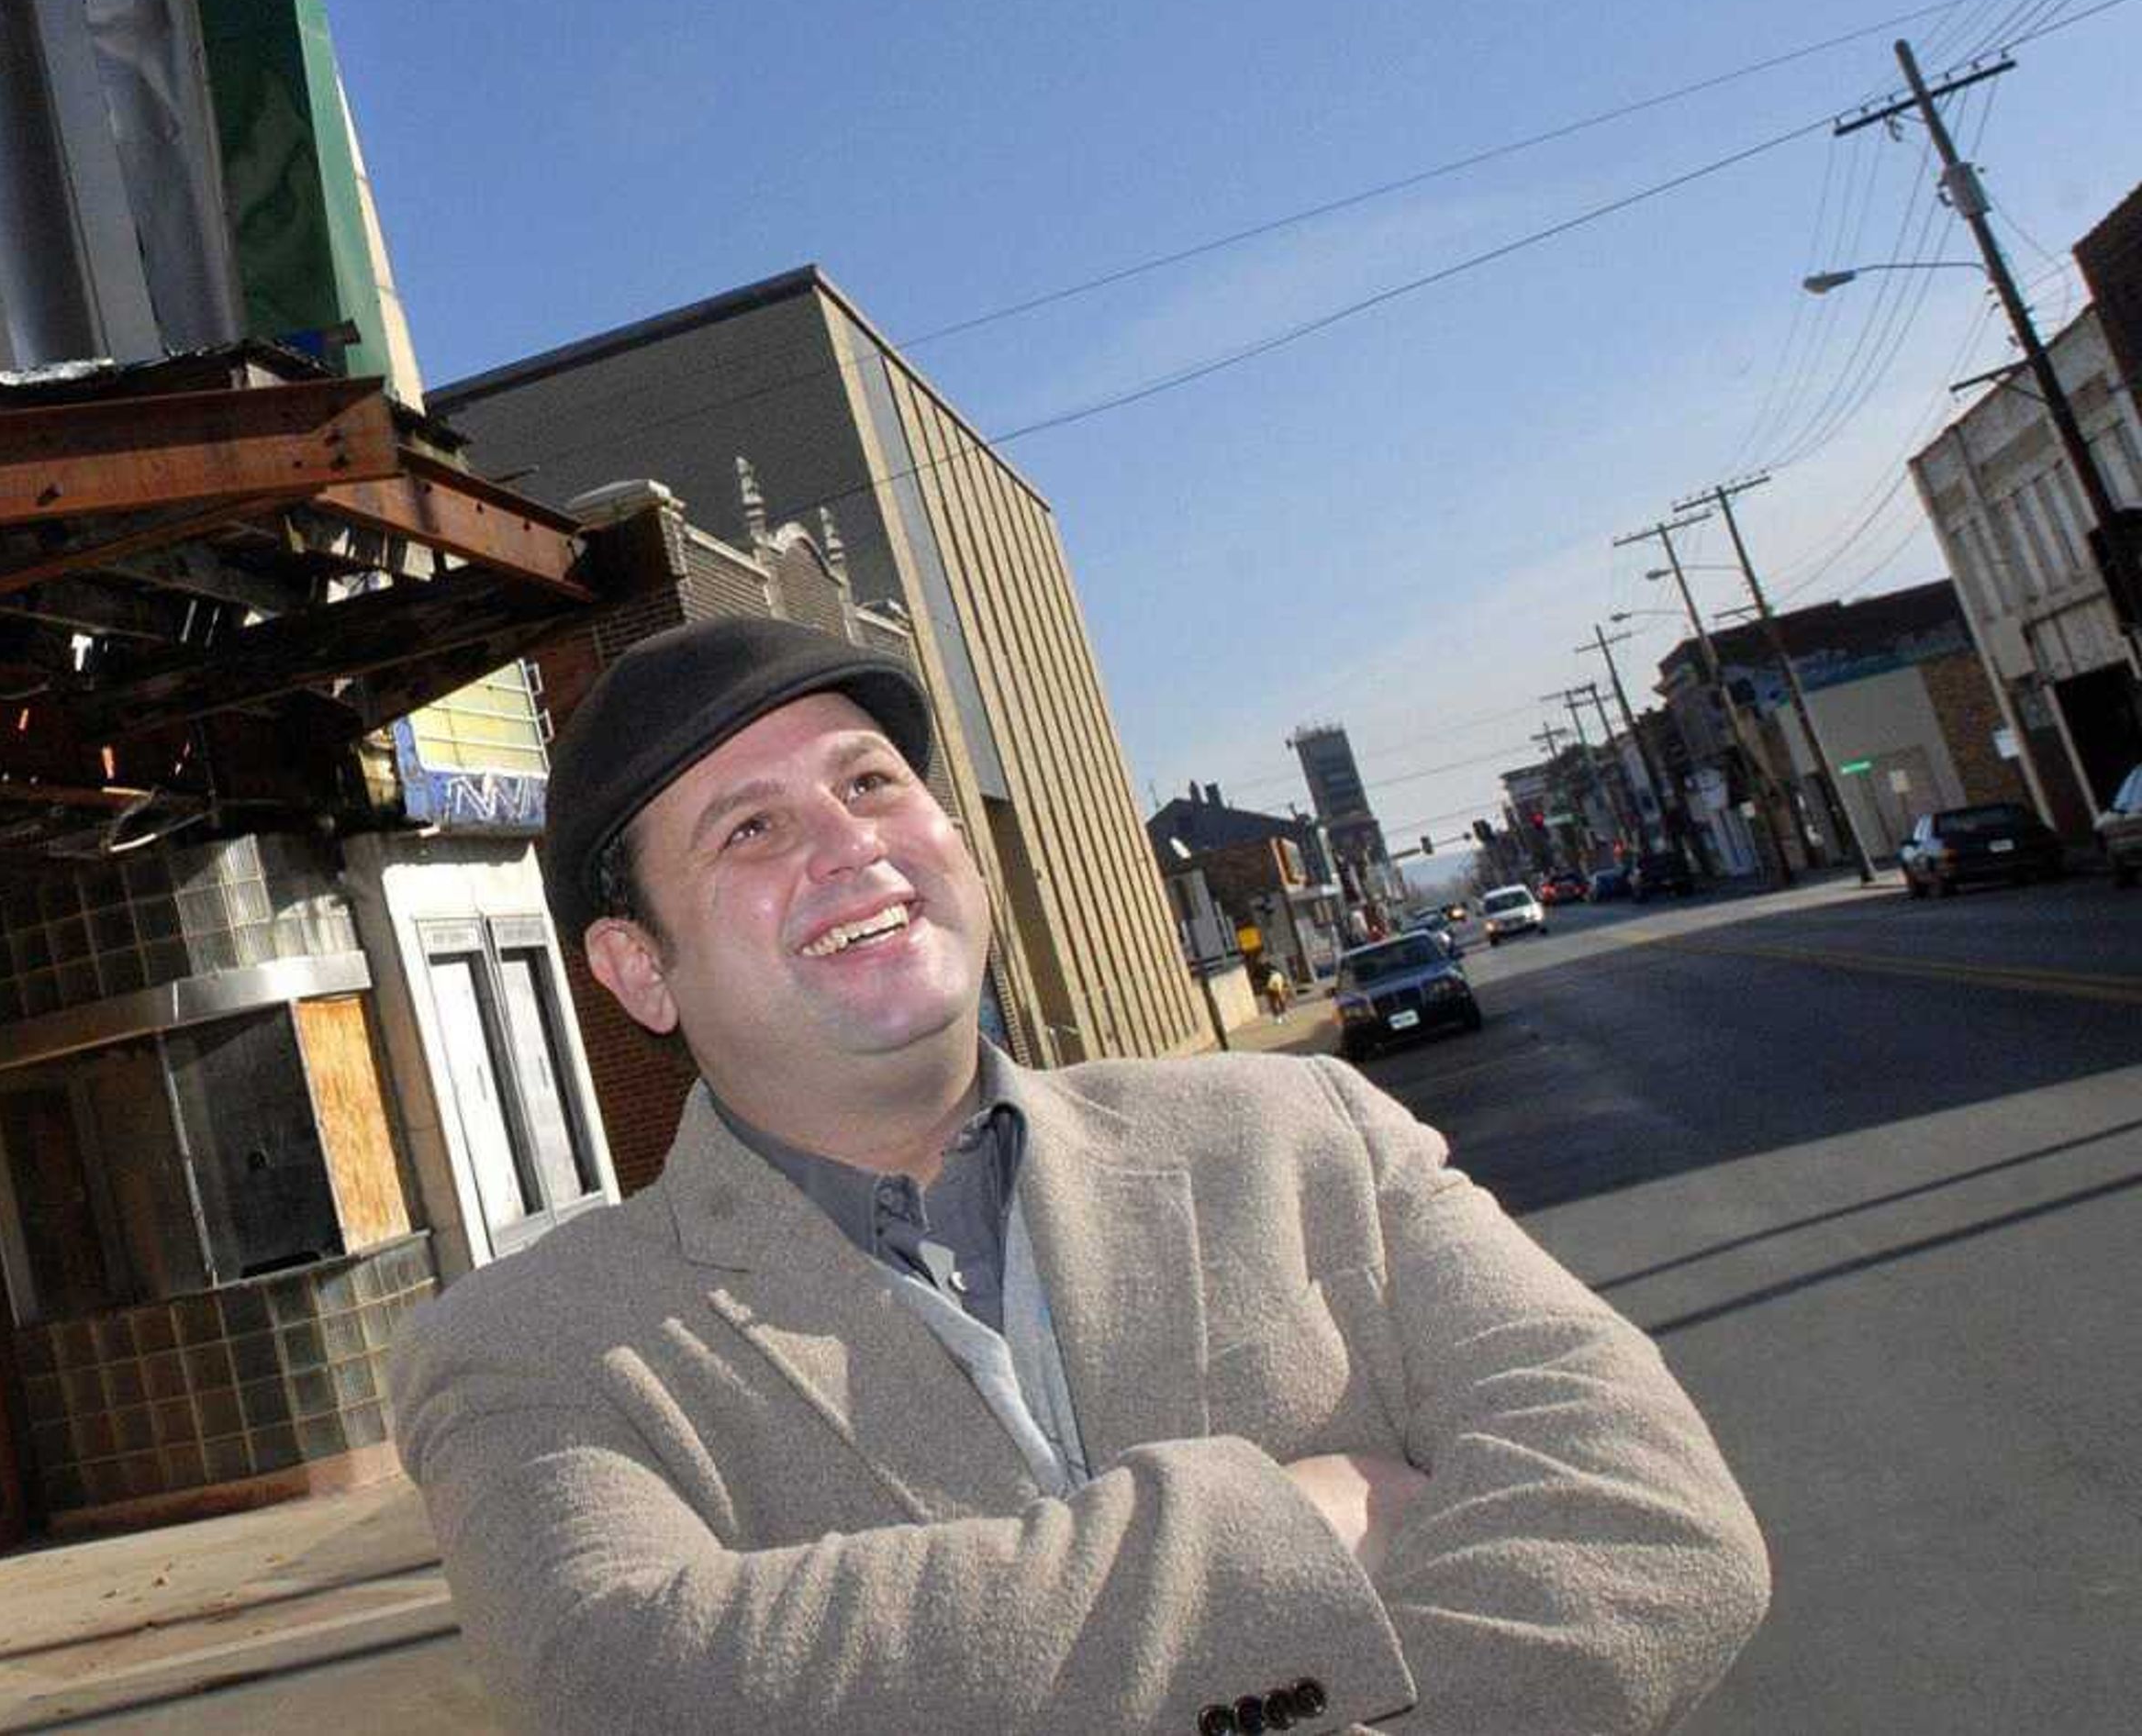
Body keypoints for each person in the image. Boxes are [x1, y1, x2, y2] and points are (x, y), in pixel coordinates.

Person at [389, 619, 1766, 1734]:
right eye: (748, 829)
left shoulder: (1306, 1134)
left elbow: (1650, 1522)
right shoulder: (528, 1356)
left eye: (871, 782)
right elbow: (643, 1684)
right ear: (639, 969)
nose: (849, 839)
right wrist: (1284, 1519)